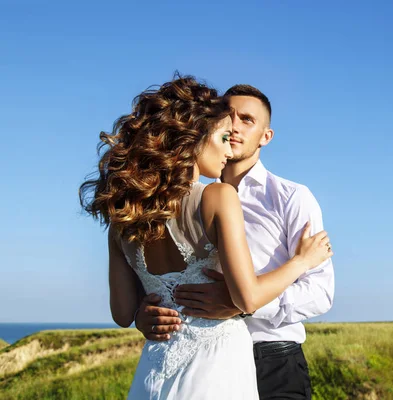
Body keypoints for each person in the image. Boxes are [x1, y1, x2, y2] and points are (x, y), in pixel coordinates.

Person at [79, 75, 333, 399]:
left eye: (247, 120)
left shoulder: (291, 197)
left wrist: (234, 305)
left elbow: (321, 292)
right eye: (227, 128)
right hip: (216, 364)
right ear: (196, 133)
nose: (234, 134)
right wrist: (148, 312)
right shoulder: (217, 195)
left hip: (271, 357)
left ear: (266, 135)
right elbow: (246, 296)